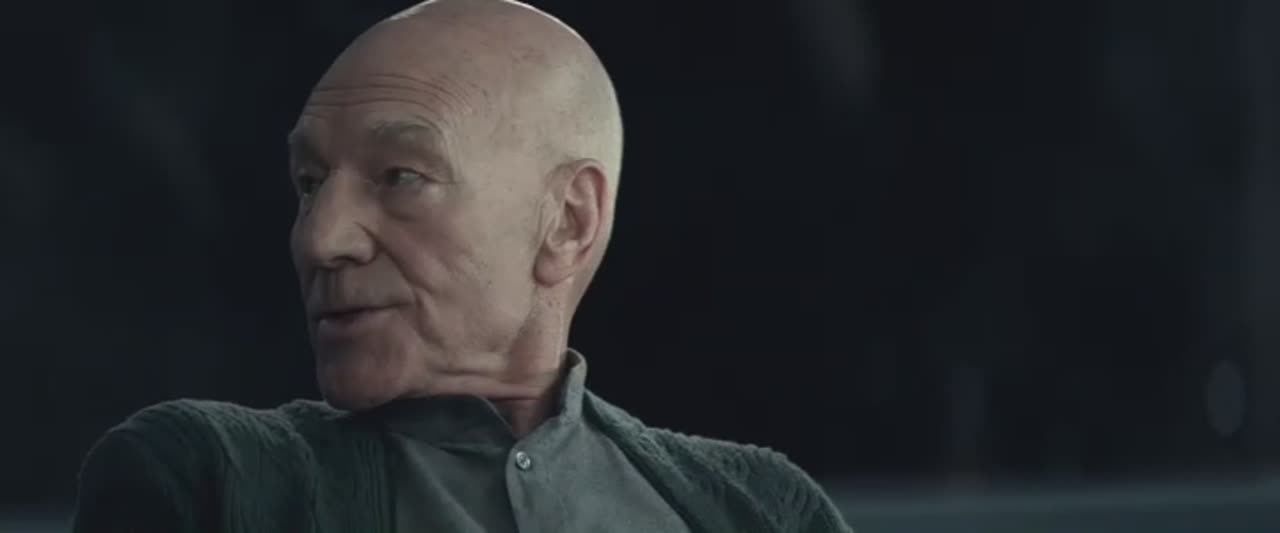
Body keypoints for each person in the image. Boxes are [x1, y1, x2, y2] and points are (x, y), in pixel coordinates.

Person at [71, 1, 853, 531]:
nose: (321, 239)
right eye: (310, 184)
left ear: (568, 221)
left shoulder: (760, 507)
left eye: (399, 176)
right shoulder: (204, 481)